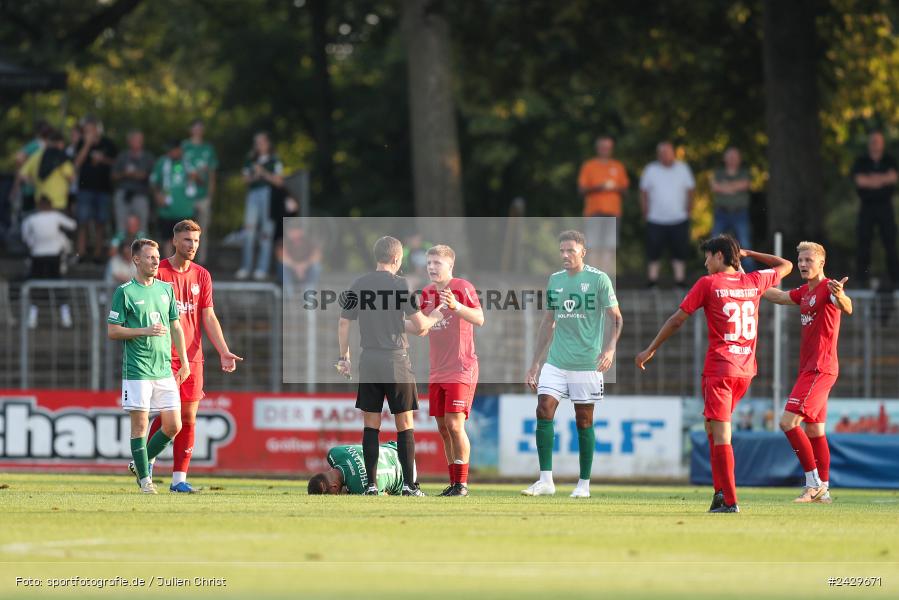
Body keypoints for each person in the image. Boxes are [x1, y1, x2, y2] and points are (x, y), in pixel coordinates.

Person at [635, 235, 792, 513]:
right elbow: (786, 264)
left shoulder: (708, 284)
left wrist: (651, 348)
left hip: (720, 369)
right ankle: (719, 493)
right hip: (745, 371)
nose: (705, 263)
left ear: (719, 256)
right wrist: (750, 252)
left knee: (721, 435)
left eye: (708, 256)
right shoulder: (754, 281)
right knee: (711, 426)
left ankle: (729, 501)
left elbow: (677, 319)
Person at [142, 219, 243, 493]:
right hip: (163, 357)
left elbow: (207, 315)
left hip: (193, 357)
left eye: (196, 241)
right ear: (174, 241)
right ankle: (144, 464)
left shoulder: (202, 275)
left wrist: (223, 350)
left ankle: (178, 480)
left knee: (188, 418)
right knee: (168, 417)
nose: (192, 246)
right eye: (187, 240)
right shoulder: (159, 272)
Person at [337, 236, 441, 496]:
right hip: (395, 360)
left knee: (371, 424)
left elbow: (343, 323)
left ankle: (371, 486)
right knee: (404, 423)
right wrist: (437, 316)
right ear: (397, 259)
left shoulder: (359, 284)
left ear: (377, 257)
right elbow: (419, 325)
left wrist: (344, 357)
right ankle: (409, 485)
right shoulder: (400, 284)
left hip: (369, 359)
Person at [522, 230, 623, 498]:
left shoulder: (599, 279)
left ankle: (584, 484)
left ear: (583, 252)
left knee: (583, 420)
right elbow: (548, 322)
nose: (565, 255)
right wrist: (535, 363)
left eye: (570, 250)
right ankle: (546, 480)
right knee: (543, 409)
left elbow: (616, 318)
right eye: (562, 251)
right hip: (556, 361)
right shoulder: (555, 280)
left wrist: (610, 349)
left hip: (587, 363)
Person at [762, 242, 852, 504]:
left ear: (821, 263)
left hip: (819, 369)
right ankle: (824, 489)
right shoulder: (805, 291)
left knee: (787, 422)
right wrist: (748, 283)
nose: (802, 264)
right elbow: (778, 297)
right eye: (800, 260)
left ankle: (812, 484)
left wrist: (842, 295)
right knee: (815, 431)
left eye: (808, 260)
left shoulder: (829, 288)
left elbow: (846, 306)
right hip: (810, 369)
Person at [107, 238, 190, 494]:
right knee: (140, 426)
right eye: (150, 257)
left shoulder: (166, 290)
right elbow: (113, 331)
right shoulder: (125, 291)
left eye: (157, 257)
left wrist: (184, 361)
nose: (155, 261)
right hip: (138, 370)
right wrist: (144, 330)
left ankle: (139, 463)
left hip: (164, 368)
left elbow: (176, 326)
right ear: (136, 260)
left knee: (174, 425)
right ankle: (145, 480)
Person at [417, 244, 484, 497]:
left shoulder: (462, 287)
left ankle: (462, 484)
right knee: (443, 428)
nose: (432, 267)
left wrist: (456, 306)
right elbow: (423, 328)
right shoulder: (426, 293)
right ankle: (454, 483)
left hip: (461, 367)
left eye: (438, 263)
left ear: (450, 266)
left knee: (456, 425)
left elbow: (479, 318)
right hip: (437, 370)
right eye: (429, 263)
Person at [639, 141, 695, 289]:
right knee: (653, 250)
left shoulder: (683, 169)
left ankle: (680, 280)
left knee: (680, 250)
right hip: (655, 218)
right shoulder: (651, 169)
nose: (665, 155)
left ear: (673, 153)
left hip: (679, 218)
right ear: (658, 154)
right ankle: (652, 281)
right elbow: (643, 192)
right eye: (662, 152)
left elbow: (691, 190)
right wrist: (645, 210)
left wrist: (689, 209)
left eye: (667, 152)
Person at [851, 130, 899, 290]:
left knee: (890, 242)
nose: (875, 144)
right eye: (873, 141)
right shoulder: (861, 161)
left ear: (883, 144)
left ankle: (895, 279)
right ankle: (862, 280)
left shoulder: (889, 160)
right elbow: (860, 181)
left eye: (878, 141)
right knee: (864, 242)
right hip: (867, 207)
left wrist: (872, 179)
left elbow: (893, 177)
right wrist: (882, 179)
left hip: (885, 207)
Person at [21, 197, 77, 329]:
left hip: (37, 255)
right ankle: (65, 318)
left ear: (38, 205)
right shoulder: (55, 216)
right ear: (51, 205)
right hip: (53, 256)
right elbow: (73, 225)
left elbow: (24, 235)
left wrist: (33, 242)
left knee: (35, 285)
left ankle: (32, 319)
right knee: (57, 284)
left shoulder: (32, 218)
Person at [236, 132, 283, 281]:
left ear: (268, 143)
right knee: (249, 231)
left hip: (269, 195)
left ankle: (262, 269)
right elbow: (244, 179)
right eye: (257, 142)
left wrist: (263, 172)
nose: (259, 145)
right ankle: (246, 267)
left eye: (262, 142)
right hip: (253, 195)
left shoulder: (275, 160)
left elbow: (278, 181)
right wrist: (254, 176)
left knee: (266, 233)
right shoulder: (250, 160)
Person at [579, 136, 629, 272]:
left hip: (613, 212)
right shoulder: (589, 166)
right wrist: (598, 187)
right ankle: (593, 277)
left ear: (611, 149)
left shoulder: (618, 166)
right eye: (602, 147)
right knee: (593, 246)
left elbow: (625, 190)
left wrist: (615, 187)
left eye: (608, 147)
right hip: (593, 212)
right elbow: (581, 189)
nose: (605, 150)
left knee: (609, 247)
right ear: (597, 148)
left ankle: (604, 277)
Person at [74, 116, 117, 262]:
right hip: (85, 188)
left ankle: (98, 253)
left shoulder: (108, 144)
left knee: (101, 222)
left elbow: (116, 163)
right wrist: (87, 144)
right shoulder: (81, 143)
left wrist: (102, 160)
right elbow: (77, 163)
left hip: (103, 188)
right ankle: (82, 252)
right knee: (83, 221)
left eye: (90, 129)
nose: (89, 132)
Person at [181, 119, 218, 264]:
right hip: (186, 196)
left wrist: (211, 193)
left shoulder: (208, 148)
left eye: (200, 128)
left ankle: (201, 261)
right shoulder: (184, 146)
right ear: (191, 130)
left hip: (203, 195)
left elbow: (212, 173)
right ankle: (183, 259)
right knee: (184, 229)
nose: (197, 131)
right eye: (195, 128)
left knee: (202, 229)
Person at [307, 442, 404, 495]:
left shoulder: (359, 488)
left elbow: (384, 497)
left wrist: (348, 491)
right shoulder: (334, 453)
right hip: (398, 448)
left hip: (405, 476)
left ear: (334, 487)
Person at [150, 141, 194, 258]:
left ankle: (183, 268)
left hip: (185, 209)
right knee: (167, 239)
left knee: (185, 239)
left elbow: (199, 180)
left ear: (180, 150)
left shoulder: (188, 162)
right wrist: (157, 195)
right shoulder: (162, 162)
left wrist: (195, 176)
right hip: (167, 210)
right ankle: (170, 267)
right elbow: (153, 181)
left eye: (174, 150)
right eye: (170, 150)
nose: (172, 152)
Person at [710, 147, 752, 269]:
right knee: (715, 244)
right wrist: (735, 187)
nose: (732, 160)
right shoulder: (718, 172)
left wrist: (724, 187)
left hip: (740, 214)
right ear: (724, 159)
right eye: (730, 157)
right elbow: (715, 187)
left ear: (739, 159)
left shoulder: (744, 172)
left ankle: (750, 277)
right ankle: (713, 273)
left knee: (745, 244)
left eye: (735, 157)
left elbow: (745, 185)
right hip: (721, 214)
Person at [17, 129, 74, 212]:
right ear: (60, 143)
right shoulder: (62, 157)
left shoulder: (37, 155)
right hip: (59, 202)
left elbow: (22, 174)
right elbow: (71, 177)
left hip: (41, 202)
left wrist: (33, 182)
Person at [112, 129, 154, 235]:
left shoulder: (148, 157)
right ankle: (121, 250)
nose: (137, 142)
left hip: (141, 195)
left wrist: (141, 175)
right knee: (121, 228)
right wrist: (125, 174)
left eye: (139, 140)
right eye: (135, 140)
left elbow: (154, 178)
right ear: (129, 141)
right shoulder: (122, 156)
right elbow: (113, 176)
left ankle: (142, 250)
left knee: (142, 229)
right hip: (123, 195)